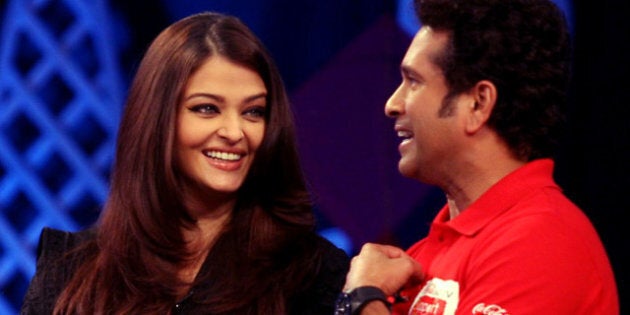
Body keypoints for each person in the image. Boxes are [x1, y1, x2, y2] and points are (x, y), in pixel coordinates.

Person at [20, 12, 348, 314]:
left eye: (253, 112)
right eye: (206, 108)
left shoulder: (311, 274)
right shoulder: (70, 271)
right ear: (157, 119)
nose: (236, 132)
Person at [336, 0, 619, 314]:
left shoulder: (543, 242)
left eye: (414, 81)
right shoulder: (421, 258)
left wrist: (362, 298)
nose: (392, 103)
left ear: (478, 103)